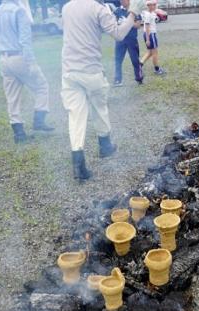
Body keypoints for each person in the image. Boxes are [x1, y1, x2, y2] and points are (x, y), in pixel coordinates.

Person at [61, 0, 147, 182]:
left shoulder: (66, 8)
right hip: (90, 69)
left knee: (75, 115)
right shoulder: (98, 9)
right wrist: (132, 13)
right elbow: (118, 34)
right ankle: (105, 146)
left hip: (69, 71)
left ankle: (78, 164)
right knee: (99, 108)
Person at [0, 0, 53, 144]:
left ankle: (19, 133)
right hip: (19, 57)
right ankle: (39, 120)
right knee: (41, 86)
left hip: (3, 58)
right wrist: (31, 62)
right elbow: (25, 40)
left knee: (12, 97)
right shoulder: (19, 11)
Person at [113, 0, 144, 87]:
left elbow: (138, 25)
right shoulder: (117, 11)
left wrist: (127, 22)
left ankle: (139, 78)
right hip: (120, 39)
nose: (122, 1)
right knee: (118, 60)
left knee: (135, 60)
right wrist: (117, 23)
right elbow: (112, 24)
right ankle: (117, 80)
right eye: (121, 0)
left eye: (124, 0)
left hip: (132, 39)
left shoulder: (135, 10)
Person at [139, 0, 165, 75]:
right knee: (155, 53)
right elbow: (147, 26)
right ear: (149, 6)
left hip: (150, 34)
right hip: (150, 34)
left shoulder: (151, 13)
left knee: (150, 52)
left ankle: (139, 65)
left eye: (155, 4)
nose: (155, 5)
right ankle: (157, 69)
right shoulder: (148, 14)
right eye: (153, 4)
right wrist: (147, 39)